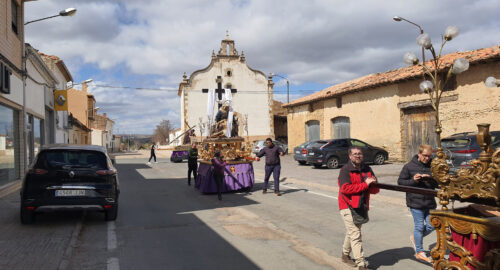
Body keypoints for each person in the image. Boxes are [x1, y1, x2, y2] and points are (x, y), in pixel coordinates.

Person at [338, 146, 379, 270]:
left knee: (352, 232)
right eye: (355, 154)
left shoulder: (367, 169)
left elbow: (375, 190)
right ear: (350, 156)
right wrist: (364, 184)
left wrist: (372, 184)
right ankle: (361, 264)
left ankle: (345, 255)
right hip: (347, 205)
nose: (357, 156)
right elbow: (345, 189)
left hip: (361, 205)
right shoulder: (345, 170)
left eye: (359, 153)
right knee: (355, 234)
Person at [397, 144, 437, 264]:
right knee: (419, 226)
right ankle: (419, 251)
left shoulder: (433, 166)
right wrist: (413, 180)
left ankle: (415, 238)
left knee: (433, 225)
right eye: (425, 156)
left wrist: (430, 178)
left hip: (429, 201)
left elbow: (439, 184)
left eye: (429, 156)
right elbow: (400, 183)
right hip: (415, 202)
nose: (427, 158)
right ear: (419, 154)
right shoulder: (409, 166)